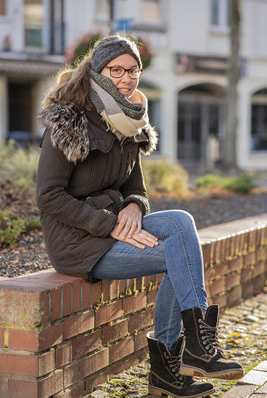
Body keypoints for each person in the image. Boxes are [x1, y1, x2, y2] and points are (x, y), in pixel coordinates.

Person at [36, 34, 243, 398]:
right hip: (79, 243)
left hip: (117, 226)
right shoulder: (68, 121)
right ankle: (176, 363)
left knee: (181, 221)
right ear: (97, 71)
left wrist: (133, 207)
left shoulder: (131, 124)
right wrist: (111, 223)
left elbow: (139, 190)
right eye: (116, 70)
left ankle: (191, 347)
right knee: (181, 257)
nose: (127, 78)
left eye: (133, 70)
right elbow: (49, 197)